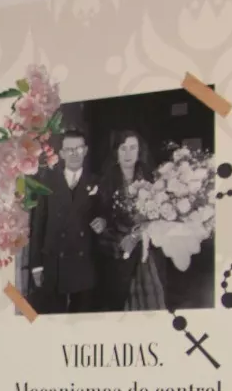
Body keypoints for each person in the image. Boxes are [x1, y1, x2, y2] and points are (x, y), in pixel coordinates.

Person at [27, 128, 109, 314]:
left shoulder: (97, 181)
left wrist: (103, 222)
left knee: (81, 323)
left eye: (79, 148)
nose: (74, 154)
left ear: (85, 150)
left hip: (84, 265)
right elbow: (38, 225)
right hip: (53, 264)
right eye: (69, 150)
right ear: (62, 153)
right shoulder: (47, 181)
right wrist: (36, 265)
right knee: (53, 319)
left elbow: (106, 213)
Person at [97, 129, 168, 312]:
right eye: (123, 148)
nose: (128, 154)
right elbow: (100, 220)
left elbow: (159, 214)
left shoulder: (151, 177)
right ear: (116, 152)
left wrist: (139, 234)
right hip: (119, 254)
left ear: (139, 151)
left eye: (132, 148)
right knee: (118, 304)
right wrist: (120, 240)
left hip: (148, 251)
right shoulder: (105, 181)